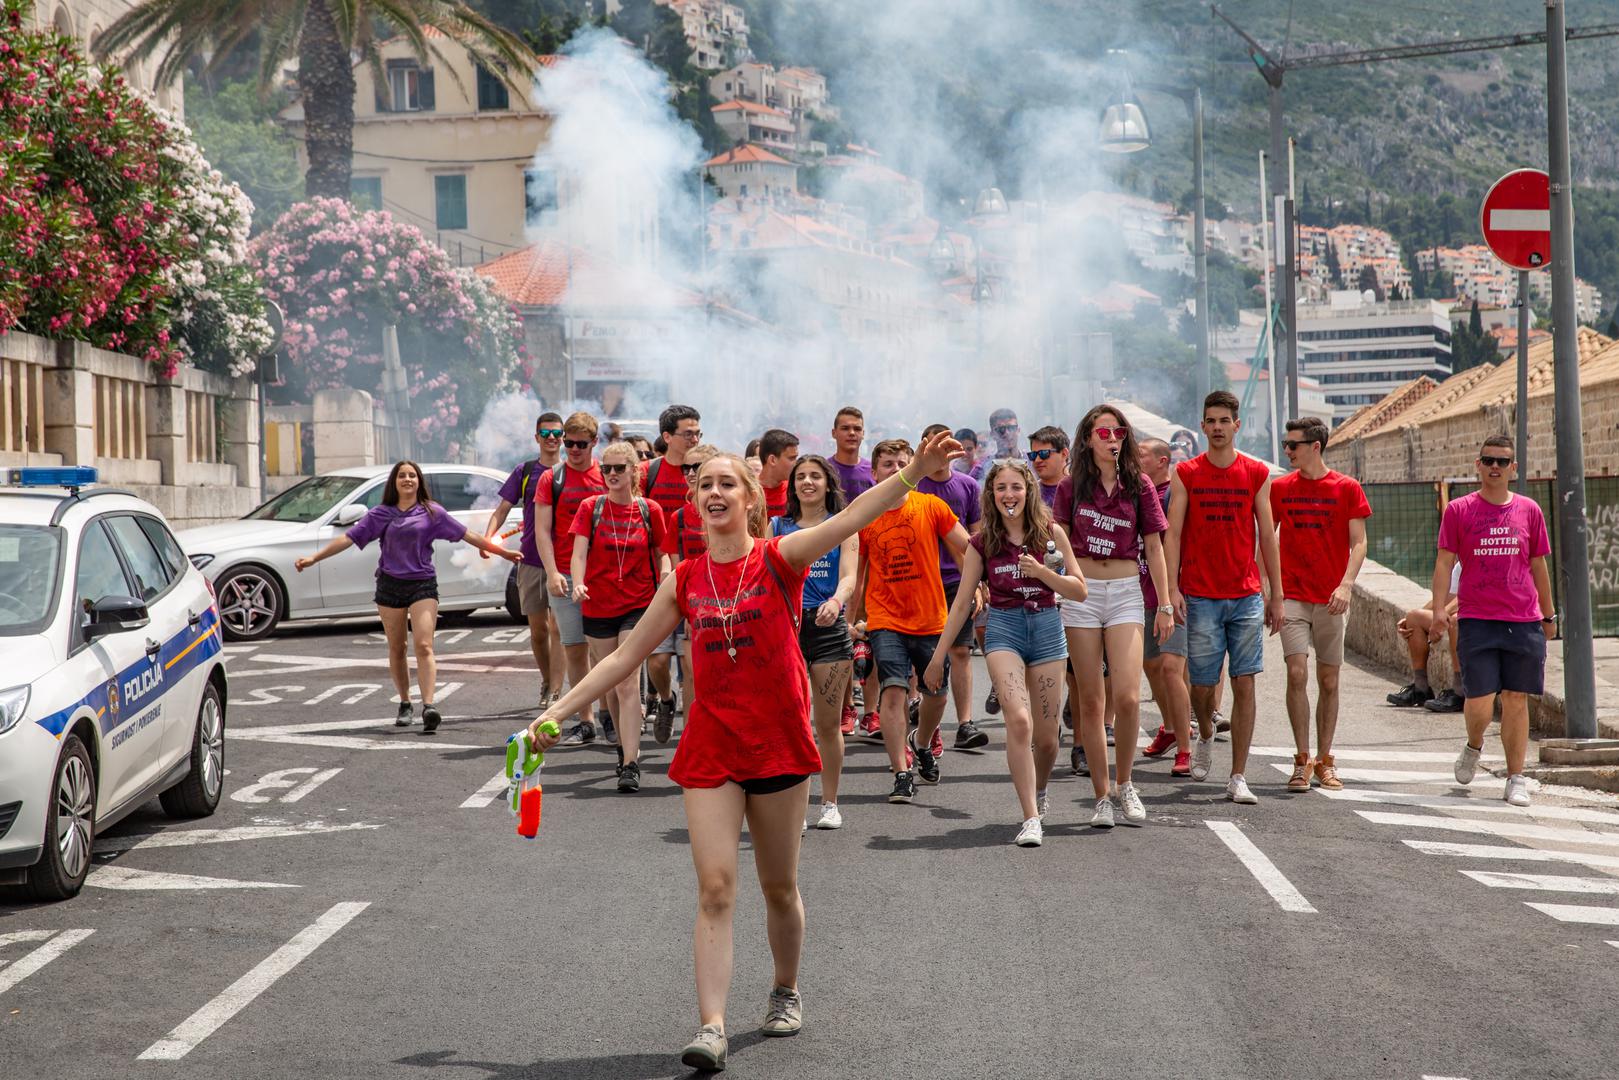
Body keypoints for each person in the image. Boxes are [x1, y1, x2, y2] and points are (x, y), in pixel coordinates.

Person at [528, 431, 965, 1073]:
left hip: (779, 737)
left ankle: (785, 989)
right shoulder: (685, 580)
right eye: (704, 484)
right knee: (714, 887)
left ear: (751, 499)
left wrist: (914, 476)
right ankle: (711, 1026)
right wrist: (555, 714)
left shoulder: (779, 557)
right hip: (712, 743)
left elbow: (851, 517)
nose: (712, 492)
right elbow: (624, 656)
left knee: (779, 887)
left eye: (725, 483)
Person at [926, 459, 1086, 846]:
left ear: (1028, 490)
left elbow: (1078, 589)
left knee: (1048, 739)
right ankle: (1030, 816)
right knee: (1019, 720)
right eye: (1001, 489)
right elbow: (963, 602)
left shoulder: (1051, 534)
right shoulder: (982, 543)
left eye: (1016, 487)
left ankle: (1040, 789)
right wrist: (938, 656)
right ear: (990, 495)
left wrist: (1043, 573)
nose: (1008, 495)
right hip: (1004, 631)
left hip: (1048, 630)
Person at [295, 461, 518, 732]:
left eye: (412, 475)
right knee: (397, 648)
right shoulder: (381, 514)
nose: (408, 479)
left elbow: (467, 534)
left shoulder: (431, 512)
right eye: (402, 476)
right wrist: (314, 558)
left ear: (419, 481)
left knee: (424, 645)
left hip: (422, 584)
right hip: (389, 586)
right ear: (395, 482)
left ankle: (429, 706)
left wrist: (502, 552)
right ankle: (404, 703)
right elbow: (349, 539)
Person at [1053, 407, 1173, 826]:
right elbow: (1058, 538)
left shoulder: (1139, 484)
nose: (1113, 437)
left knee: (1125, 695)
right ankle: (1101, 795)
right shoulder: (1071, 486)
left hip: (1125, 593)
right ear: (1087, 438)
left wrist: (1165, 604)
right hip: (1083, 593)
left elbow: (1155, 547)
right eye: (1103, 431)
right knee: (1090, 698)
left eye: (1119, 431)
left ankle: (1126, 784)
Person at [1165, 391, 1284, 804]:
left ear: (1237, 425)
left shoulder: (1255, 472)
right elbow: (1173, 533)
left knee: (1245, 681)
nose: (1217, 427)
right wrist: (1171, 589)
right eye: (1210, 420)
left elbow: (1267, 535)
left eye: (1224, 420)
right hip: (1200, 595)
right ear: (1202, 426)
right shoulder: (1187, 473)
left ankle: (1237, 775)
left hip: (1246, 594)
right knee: (1201, 684)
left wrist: (1277, 595)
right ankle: (1206, 729)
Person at [1431, 435, 1554, 809]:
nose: (1495, 467)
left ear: (1514, 468)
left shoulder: (1529, 510)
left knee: (1517, 698)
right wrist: (1439, 610)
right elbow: (1444, 562)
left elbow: (1538, 565)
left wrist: (1549, 614)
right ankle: (1474, 744)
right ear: (1478, 465)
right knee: (1481, 701)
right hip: (1477, 619)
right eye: (1489, 461)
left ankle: (1516, 777)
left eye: (1502, 461)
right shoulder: (1459, 509)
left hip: (1523, 618)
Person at [852, 438, 972, 803]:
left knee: (936, 694)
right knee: (893, 691)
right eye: (888, 464)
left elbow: (968, 546)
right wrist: (851, 619)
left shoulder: (931, 506)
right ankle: (901, 772)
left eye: (902, 463)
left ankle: (920, 742)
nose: (895, 470)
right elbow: (856, 573)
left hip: (932, 619)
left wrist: (977, 582)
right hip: (885, 618)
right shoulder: (865, 514)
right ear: (874, 473)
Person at [1271, 417, 1372, 792]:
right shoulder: (1279, 488)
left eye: (1293, 445)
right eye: (1286, 445)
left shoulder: (1347, 488)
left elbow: (1359, 543)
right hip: (1293, 595)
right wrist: (1271, 590)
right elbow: (1266, 537)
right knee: (1296, 673)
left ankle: (1325, 759)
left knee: (1329, 679)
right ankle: (1301, 759)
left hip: (1331, 596)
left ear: (1315, 446)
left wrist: (1346, 585)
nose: (1287, 451)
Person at [570, 441, 670, 792]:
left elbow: (662, 554)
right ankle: (621, 746)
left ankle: (630, 763)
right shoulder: (590, 508)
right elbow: (578, 553)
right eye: (607, 469)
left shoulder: (649, 509)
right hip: (597, 604)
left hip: (638, 603)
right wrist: (578, 583)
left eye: (618, 469)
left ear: (633, 472)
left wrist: (667, 578)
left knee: (627, 679)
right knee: (611, 683)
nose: (611, 474)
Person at [771, 455, 858, 830]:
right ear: (792, 486)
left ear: (827, 484)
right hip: (785, 629)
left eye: (815, 477)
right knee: (791, 723)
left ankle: (830, 803)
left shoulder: (842, 527)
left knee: (826, 725)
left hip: (829, 628)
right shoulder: (778, 525)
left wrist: (836, 602)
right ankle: (795, 807)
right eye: (800, 477)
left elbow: (850, 577)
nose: (807, 482)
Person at [535, 411, 608, 746]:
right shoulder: (553, 478)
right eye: (569, 443)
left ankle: (611, 713)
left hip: (605, 575)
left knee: (607, 651)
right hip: (564, 572)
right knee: (575, 649)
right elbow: (542, 530)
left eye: (581, 444)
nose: (573, 449)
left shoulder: (606, 475)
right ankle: (586, 719)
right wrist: (551, 573)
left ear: (594, 442)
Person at [916, 423, 990, 752]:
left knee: (961, 651)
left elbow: (976, 537)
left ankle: (964, 723)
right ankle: (922, 715)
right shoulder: (914, 486)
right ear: (926, 447)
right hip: (919, 582)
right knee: (922, 653)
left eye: (949, 445)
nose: (943, 451)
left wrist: (981, 581)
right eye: (937, 444)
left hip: (957, 581)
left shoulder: (968, 486)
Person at [484, 412, 565, 709]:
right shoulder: (526, 471)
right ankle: (547, 680)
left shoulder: (571, 471)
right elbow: (502, 508)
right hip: (530, 559)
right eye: (546, 434)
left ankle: (556, 690)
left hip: (564, 561)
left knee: (559, 628)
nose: (552, 439)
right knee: (538, 630)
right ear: (537, 438)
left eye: (557, 433)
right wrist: (488, 538)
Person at [643, 405, 705, 739]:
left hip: (702, 591)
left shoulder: (714, 490)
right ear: (667, 438)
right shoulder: (649, 473)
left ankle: (694, 736)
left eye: (698, 432)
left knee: (694, 670)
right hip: (661, 583)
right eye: (687, 433)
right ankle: (665, 698)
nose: (694, 439)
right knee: (656, 661)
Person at [1136, 438, 1195, 778]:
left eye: (1141, 454)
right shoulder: (1138, 493)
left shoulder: (1175, 495)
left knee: (1172, 667)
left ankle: (1186, 747)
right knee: (1151, 666)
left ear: (1162, 460)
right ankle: (1171, 728)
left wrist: (1174, 591)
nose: (1134, 459)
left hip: (1173, 595)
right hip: (1142, 593)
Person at [1388, 562, 1463, 712]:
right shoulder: (1460, 565)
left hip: (1482, 616)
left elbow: (1468, 594)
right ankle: (1420, 688)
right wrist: (1415, 615)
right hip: (1460, 613)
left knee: (1455, 621)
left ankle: (1460, 691)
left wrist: (1440, 618)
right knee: (1414, 617)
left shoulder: (1486, 554)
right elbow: (1450, 597)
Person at [829, 406, 874, 498]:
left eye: (857, 429)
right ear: (834, 433)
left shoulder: (874, 471)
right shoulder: (824, 469)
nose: (852, 433)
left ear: (863, 434)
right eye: (845, 428)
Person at [757, 429, 800, 519]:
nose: (796, 463)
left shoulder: (796, 489)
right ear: (772, 460)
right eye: (791, 458)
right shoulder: (747, 491)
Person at [1026, 425, 1069, 508]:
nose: (1037, 460)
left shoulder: (1081, 491)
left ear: (1064, 454)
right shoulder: (1028, 494)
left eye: (1044, 453)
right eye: (1033, 455)